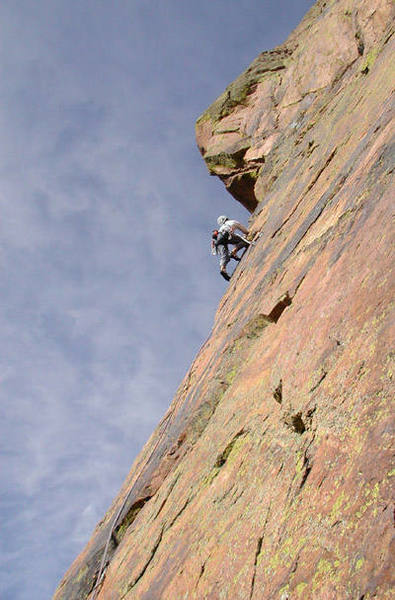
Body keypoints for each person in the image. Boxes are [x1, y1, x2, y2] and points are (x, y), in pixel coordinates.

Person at [211, 215, 250, 281]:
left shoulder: (220, 229)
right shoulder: (232, 222)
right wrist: (247, 233)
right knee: (243, 242)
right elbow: (243, 229)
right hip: (227, 236)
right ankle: (234, 252)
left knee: (224, 255)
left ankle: (223, 269)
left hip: (217, 241)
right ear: (226, 219)